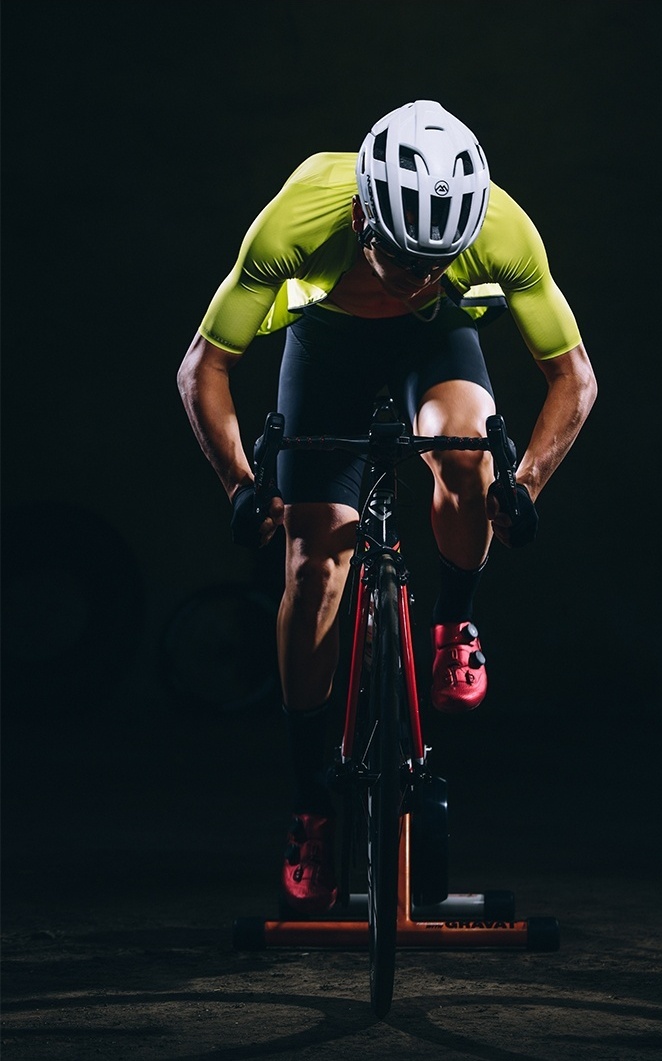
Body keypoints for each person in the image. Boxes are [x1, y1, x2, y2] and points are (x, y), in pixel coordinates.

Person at [177, 100, 597, 914]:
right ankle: (310, 800)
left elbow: (574, 377)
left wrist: (526, 483)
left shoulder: (501, 230)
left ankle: (455, 621)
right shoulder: (300, 216)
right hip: (327, 345)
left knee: (468, 458)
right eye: (405, 260)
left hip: (434, 344)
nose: (420, 278)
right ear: (362, 216)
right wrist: (239, 483)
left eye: (439, 262)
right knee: (314, 568)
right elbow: (203, 367)